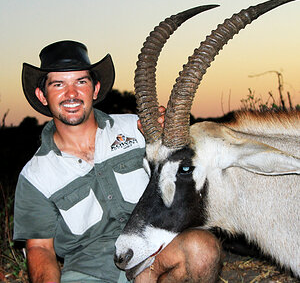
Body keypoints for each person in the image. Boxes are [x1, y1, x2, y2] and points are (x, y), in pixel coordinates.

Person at [14, 40, 222, 283]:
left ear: (95, 88)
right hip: (89, 272)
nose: (71, 94)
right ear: (42, 95)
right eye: (58, 84)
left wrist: (170, 134)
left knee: (202, 249)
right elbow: (40, 249)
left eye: (81, 81)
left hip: (152, 259)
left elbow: (188, 167)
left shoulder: (137, 129)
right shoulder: (34, 176)